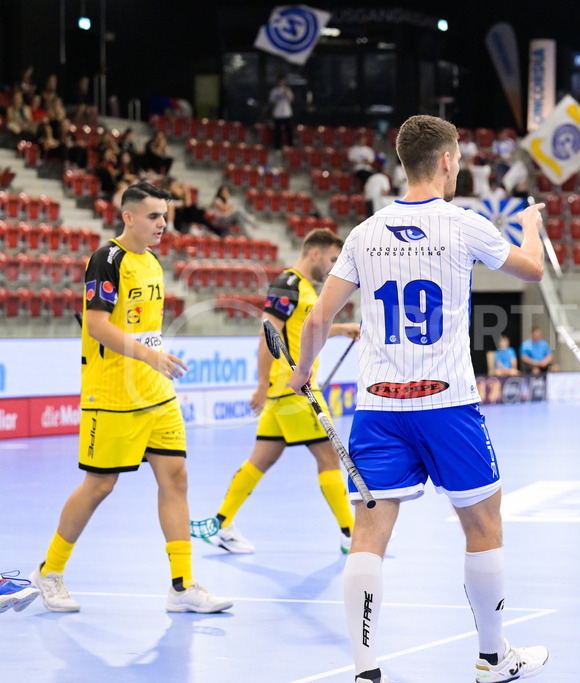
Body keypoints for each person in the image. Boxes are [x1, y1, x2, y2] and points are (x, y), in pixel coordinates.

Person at [287, 114, 549, 683]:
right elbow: (531, 271)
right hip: (447, 404)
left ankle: (364, 669)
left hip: (378, 409)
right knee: (483, 526)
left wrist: (303, 371)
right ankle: (491, 658)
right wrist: (531, 225)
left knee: (369, 533)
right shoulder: (464, 223)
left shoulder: (363, 232)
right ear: (449, 160)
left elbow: (318, 316)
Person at [30, 181, 232, 614]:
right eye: (154, 216)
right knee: (100, 484)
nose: (163, 223)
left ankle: (182, 586)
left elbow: (143, 328)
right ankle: (49, 572)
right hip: (113, 395)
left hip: (156, 394)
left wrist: (153, 359)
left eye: (165, 215)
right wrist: (149, 355)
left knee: (175, 478)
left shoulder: (154, 262)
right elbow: (97, 326)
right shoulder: (107, 260)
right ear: (128, 217)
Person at [205, 229, 360, 555]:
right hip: (295, 390)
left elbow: (304, 331)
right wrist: (261, 383)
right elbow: (267, 333)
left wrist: (343, 329)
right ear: (314, 253)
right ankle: (352, 534)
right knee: (329, 457)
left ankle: (221, 526)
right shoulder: (287, 285)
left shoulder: (303, 289)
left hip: (284, 394)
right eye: (332, 259)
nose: (334, 266)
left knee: (261, 459)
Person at [269, 75, 294, 149]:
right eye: (280, 80)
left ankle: (290, 145)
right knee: (277, 132)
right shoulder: (274, 91)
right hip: (278, 114)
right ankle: (277, 146)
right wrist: (274, 103)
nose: (281, 82)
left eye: (283, 80)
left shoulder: (287, 90)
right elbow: (271, 101)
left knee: (288, 130)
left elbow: (291, 101)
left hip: (286, 113)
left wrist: (286, 93)